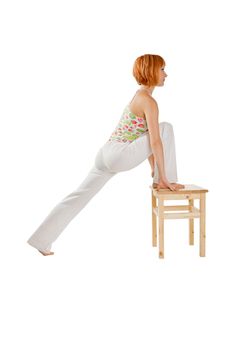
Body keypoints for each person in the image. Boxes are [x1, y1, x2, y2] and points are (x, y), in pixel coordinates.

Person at [27, 53, 184, 256]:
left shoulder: (138, 96)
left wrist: (154, 171)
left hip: (106, 154)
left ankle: (41, 240)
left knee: (78, 196)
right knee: (166, 128)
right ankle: (167, 179)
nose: (166, 74)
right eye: (162, 69)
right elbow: (155, 141)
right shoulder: (149, 101)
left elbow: (145, 141)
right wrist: (162, 178)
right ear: (152, 71)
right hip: (120, 154)